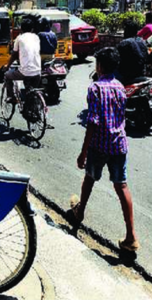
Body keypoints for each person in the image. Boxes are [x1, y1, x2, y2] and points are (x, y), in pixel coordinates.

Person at [68, 47, 140, 252]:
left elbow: (92, 122)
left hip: (99, 145)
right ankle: (131, 237)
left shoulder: (95, 88)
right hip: (119, 144)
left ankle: (79, 213)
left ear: (99, 65)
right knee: (122, 186)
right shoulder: (120, 86)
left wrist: (83, 152)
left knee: (89, 178)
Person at [4, 18, 41, 103]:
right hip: (38, 72)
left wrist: (7, 66)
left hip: (25, 72)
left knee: (7, 75)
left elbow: (14, 54)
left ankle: (11, 97)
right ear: (32, 29)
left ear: (21, 28)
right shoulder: (36, 37)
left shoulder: (19, 38)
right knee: (30, 91)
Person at [116, 19, 148, 84]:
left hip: (127, 75)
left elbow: (116, 58)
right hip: (141, 73)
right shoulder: (142, 42)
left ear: (127, 31)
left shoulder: (124, 43)